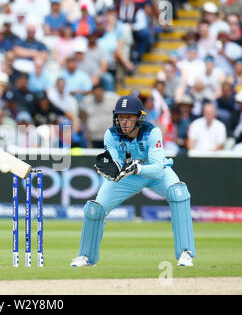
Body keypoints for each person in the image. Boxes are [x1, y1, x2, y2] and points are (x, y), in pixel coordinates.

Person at [71, 95, 196, 267]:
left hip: (154, 174)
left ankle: (185, 252)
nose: (124, 122)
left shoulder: (152, 132)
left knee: (178, 192)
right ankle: (86, 257)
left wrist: (137, 168)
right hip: (127, 177)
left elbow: (158, 168)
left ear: (139, 117)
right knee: (94, 209)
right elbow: (114, 164)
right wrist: (111, 172)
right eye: (121, 117)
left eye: (129, 117)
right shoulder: (111, 134)